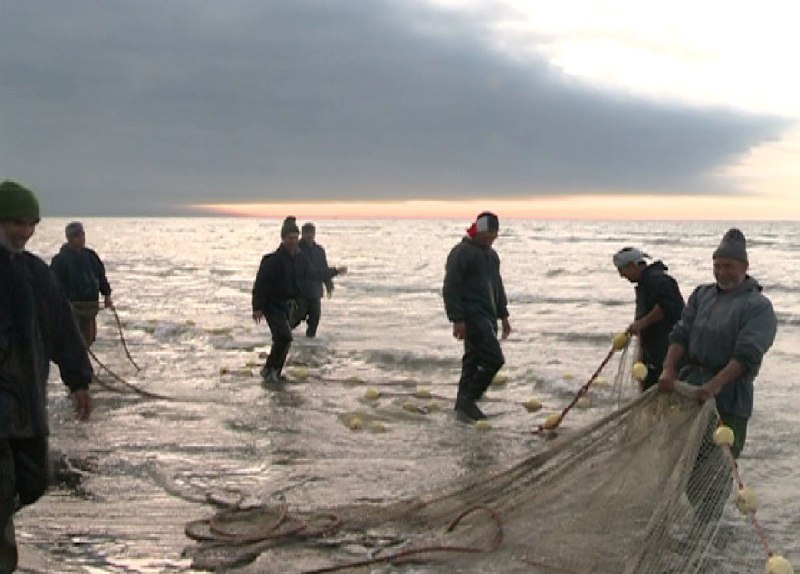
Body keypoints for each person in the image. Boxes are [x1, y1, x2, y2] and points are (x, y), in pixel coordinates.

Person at [0, 181, 93, 573]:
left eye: (31, 223)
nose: (25, 231)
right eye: (16, 222)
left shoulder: (37, 272)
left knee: (34, 482)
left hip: (29, 403)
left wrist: (79, 380)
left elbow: (61, 328)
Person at [659, 228, 777, 458]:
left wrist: (715, 385)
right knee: (680, 462)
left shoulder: (758, 307)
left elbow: (747, 356)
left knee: (716, 472)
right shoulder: (701, 295)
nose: (722, 272)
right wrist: (668, 368)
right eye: (717, 266)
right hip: (689, 390)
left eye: (728, 266)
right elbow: (680, 334)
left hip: (730, 401)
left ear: (745, 267)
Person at [252, 217, 341, 383]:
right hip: (271, 304)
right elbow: (260, 284)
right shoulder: (272, 260)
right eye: (290, 238)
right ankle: (270, 370)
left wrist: (334, 272)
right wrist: (257, 308)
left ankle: (273, 371)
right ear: (283, 239)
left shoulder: (301, 259)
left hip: (288, 304)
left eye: (295, 237)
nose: (293, 241)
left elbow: (315, 273)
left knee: (283, 338)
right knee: (285, 337)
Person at [443, 212, 511, 421]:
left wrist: (504, 315)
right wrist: (457, 320)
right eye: (491, 233)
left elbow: (497, 286)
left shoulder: (491, 255)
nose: (493, 237)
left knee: (471, 362)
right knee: (494, 358)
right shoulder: (461, 253)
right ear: (481, 231)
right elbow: (450, 288)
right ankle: (469, 399)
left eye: (496, 234)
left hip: (488, 316)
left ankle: (462, 405)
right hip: (472, 317)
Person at [613, 247, 685, 391]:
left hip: (666, 348)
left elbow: (666, 307)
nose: (621, 275)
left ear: (632, 265)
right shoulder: (644, 283)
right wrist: (641, 356)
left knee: (663, 390)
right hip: (652, 350)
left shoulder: (658, 280)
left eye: (622, 270)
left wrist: (641, 324)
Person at [50, 221, 113, 348]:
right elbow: (53, 286)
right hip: (71, 310)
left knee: (88, 340)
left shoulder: (90, 256)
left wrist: (107, 295)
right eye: (76, 235)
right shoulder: (60, 259)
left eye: (82, 234)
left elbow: (101, 276)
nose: (81, 238)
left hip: (90, 308)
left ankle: (82, 364)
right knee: (73, 343)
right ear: (69, 238)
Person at [296, 222, 347, 338]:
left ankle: (309, 345)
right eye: (307, 233)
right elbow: (311, 272)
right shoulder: (297, 250)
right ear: (302, 234)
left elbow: (323, 268)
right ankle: (285, 340)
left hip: (315, 291)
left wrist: (329, 284)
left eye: (311, 233)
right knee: (297, 318)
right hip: (300, 292)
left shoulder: (319, 250)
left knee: (315, 318)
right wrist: (336, 271)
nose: (310, 236)